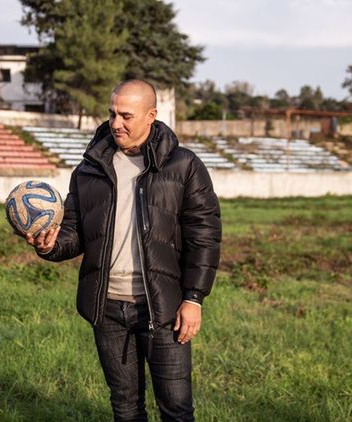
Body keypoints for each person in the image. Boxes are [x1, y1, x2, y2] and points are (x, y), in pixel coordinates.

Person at [26, 79, 221, 421]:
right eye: (112, 113)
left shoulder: (184, 166)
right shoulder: (89, 170)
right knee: (125, 407)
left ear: (151, 116)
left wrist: (193, 298)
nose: (116, 123)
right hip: (108, 307)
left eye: (126, 115)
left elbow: (204, 235)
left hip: (164, 308)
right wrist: (51, 244)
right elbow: (75, 233)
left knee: (176, 409)